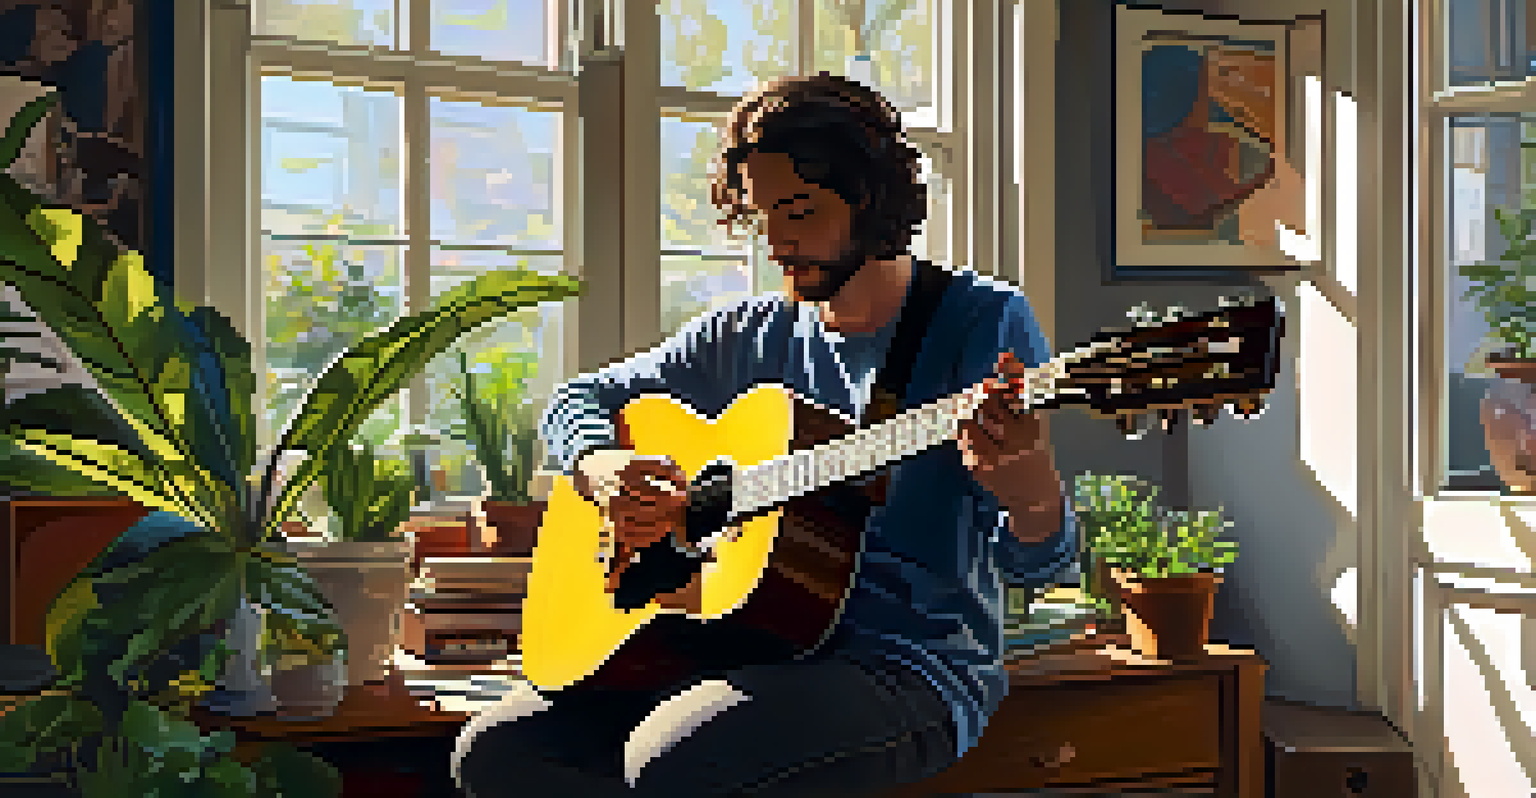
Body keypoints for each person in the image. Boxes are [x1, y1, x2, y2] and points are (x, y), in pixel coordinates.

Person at [451, 72, 1078, 798]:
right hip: (736, 646)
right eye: (762, 215)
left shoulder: (981, 321)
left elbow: (1039, 567)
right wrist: (601, 465)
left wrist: (1031, 493)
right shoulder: (747, 334)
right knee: (495, 752)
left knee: (675, 757)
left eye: (800, 211)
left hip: (908, 667)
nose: (777, 241)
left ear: (870, 195)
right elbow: (578, 398)